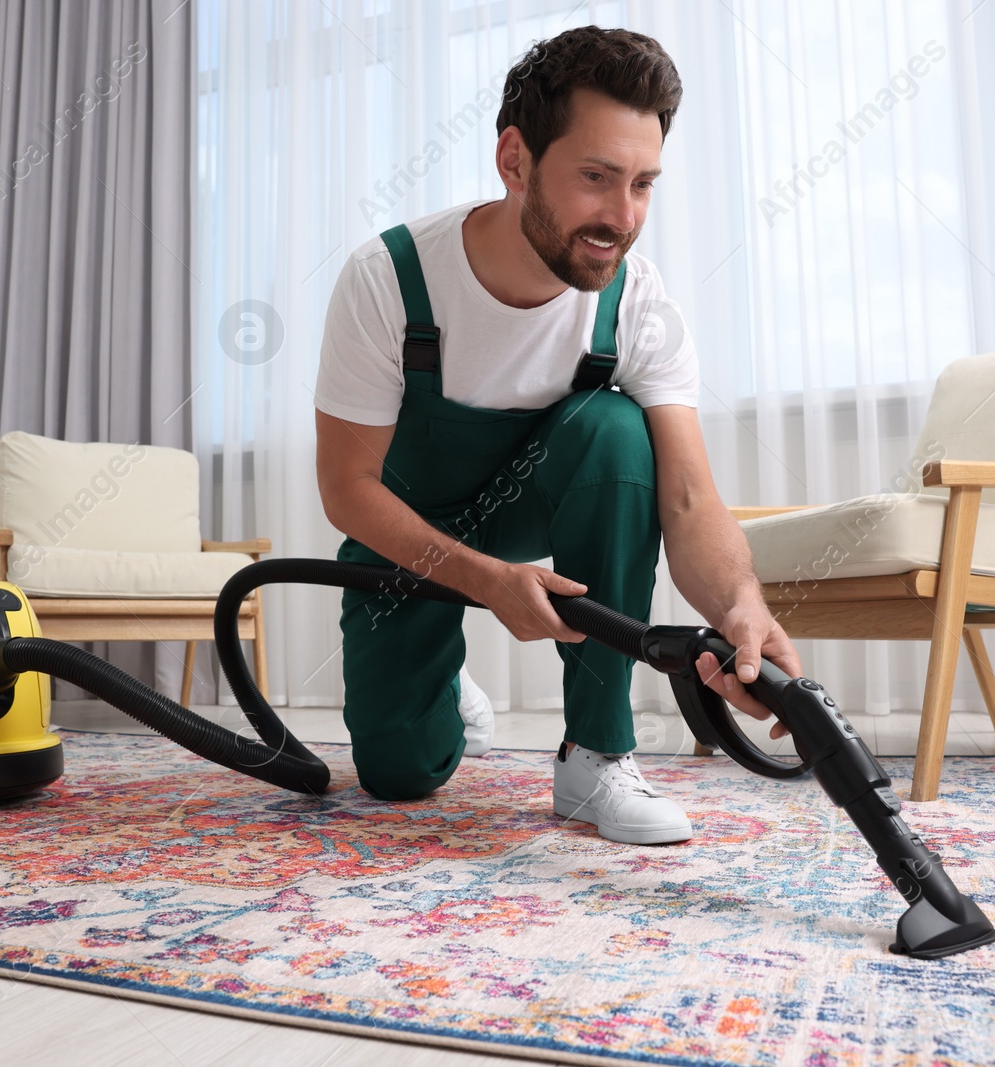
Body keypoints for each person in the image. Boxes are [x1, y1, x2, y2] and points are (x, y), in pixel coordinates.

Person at [314, 25, 801, 844]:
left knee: (618, 431)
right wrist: (483, 580)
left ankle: (596, 758)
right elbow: (346, 488)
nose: (623, 216)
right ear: (515, 161)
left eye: (643, 183)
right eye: (596, 178)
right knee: (399, 773)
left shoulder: (637, 303)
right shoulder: (389, 280)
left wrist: (743, 607)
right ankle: (443, 684)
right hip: (411, 534)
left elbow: (686, 497)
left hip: (538, 505)